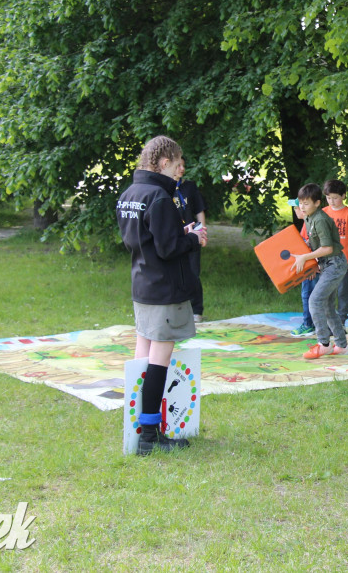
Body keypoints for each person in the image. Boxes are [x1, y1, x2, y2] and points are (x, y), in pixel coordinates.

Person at [117, 135, 208, 455]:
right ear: (164, 161)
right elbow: (169, 249)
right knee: (159, 361)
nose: (179, 172)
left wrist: (179, 232)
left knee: (142, 356)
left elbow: (142, 239)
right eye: (176, 164)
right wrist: (193, 239)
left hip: (142, 285)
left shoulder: (131, 193)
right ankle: (149, 435)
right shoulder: (158, 196)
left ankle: (136, 427)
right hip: (165, 290)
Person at [291, 183, 348, 359]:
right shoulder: (309, 218)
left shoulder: (320, 220)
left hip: (335, 264)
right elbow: (315, 245)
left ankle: (324, 343)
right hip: (326, 264)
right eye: (300, 203)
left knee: (315, 301)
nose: (302, 207)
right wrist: (313, 264)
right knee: (327, 306)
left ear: (317, 203)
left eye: (306, 203)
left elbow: (328, 248)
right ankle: (342, 345)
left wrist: (305, 258)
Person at [322, 179, 348, 325]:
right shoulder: (323, 212)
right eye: (328, 198)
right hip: (325, 259)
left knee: (342, 291)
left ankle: (342, 320)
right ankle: (329, 319)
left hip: (344, 259)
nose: (331, 201)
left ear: (344, 196)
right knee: (326, 291)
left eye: (335, 198)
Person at [174, 161, 207, 322]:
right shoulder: (164, 189)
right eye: (178, 166)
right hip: (176, 238)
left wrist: (202, 233)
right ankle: (178, 310)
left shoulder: (190, 187)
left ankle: (196, 310)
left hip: (192, 236)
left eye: (183, 165)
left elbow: (199, 210)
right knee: (176, 274)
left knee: (193, 273)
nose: (182, 169)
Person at [289, 199, 318, 336]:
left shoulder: (310, 224)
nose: (295, 212)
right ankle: (313, 323)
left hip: (310, 268)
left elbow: (314, 247)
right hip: (308, 266)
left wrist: (312, 267)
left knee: (307, 295)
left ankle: (308, 324)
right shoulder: (307, 223)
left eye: (296, 209)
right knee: (309, 295)